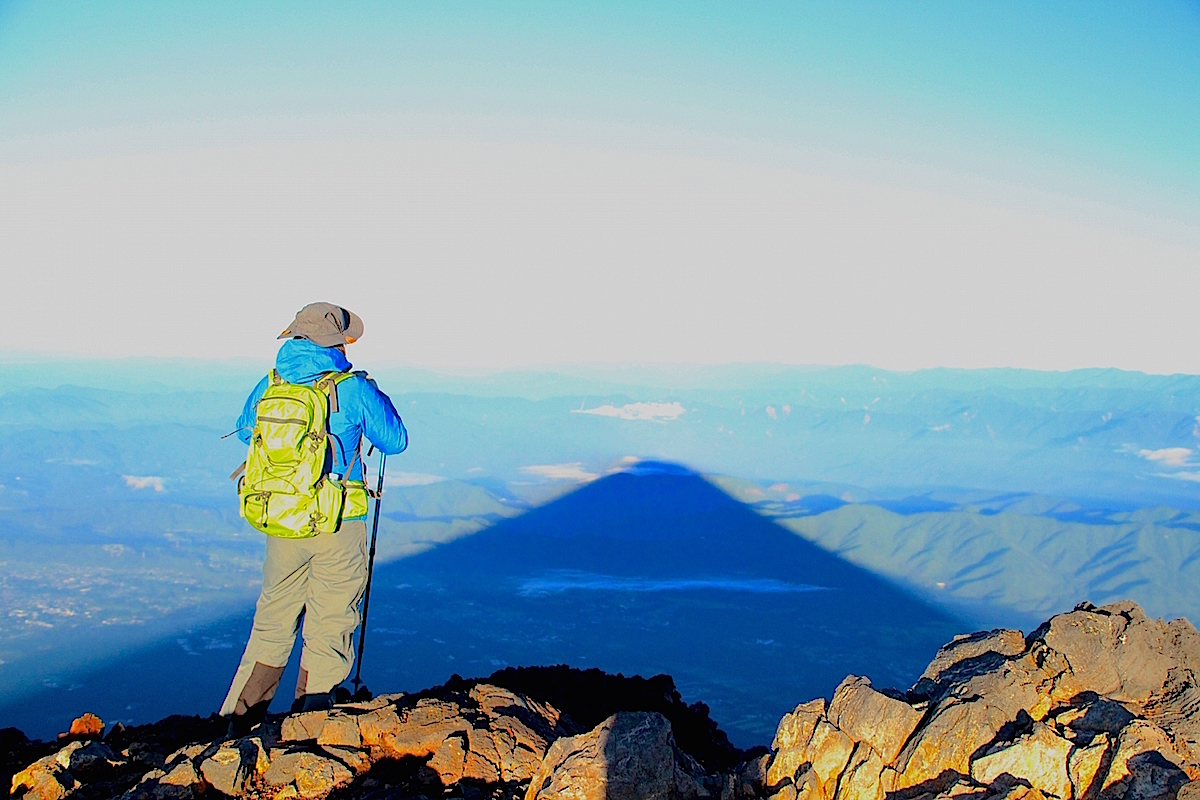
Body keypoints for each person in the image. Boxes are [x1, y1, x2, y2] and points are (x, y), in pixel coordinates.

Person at [220, 302, 407, 735]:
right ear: (339, 340)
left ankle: (236, 727)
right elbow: (395, 441)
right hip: (340, 522)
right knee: (330, 624)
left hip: (283, 520)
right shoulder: (352, 388)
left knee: (272, 622)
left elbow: (247, 430)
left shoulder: (271, 382)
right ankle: (308, 730)